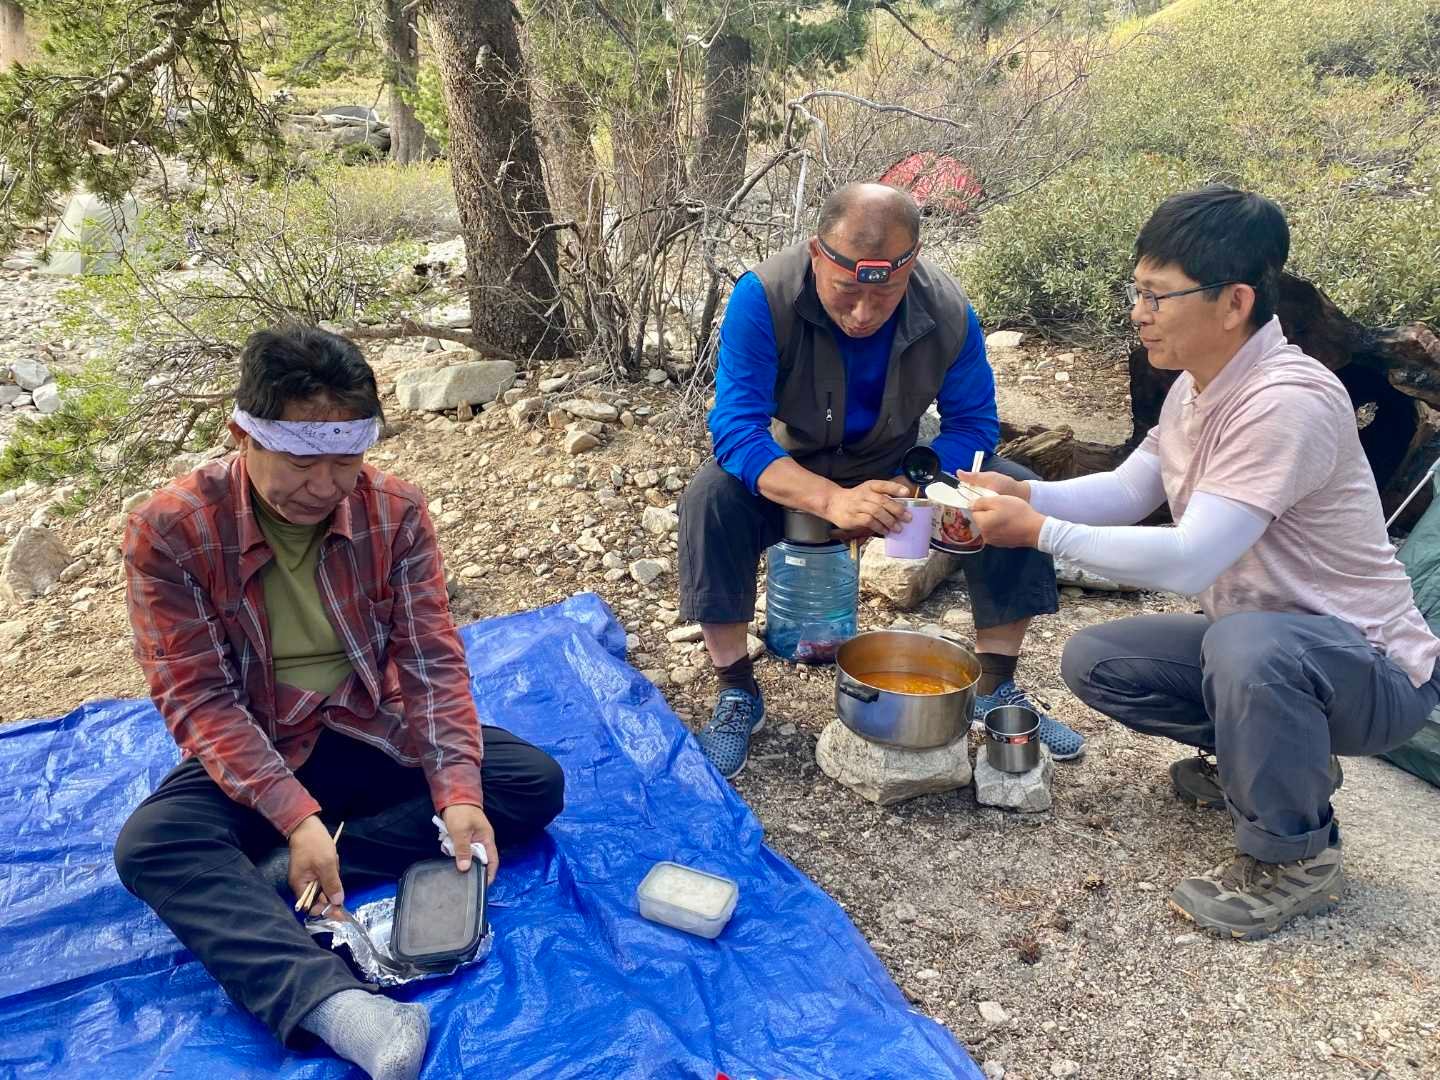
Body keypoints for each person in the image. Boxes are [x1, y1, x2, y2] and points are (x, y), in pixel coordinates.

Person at [965, 185, 1440, 939]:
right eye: (1137, 291)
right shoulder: (1197, 388)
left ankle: (1296, 859)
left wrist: (1037, 532)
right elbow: (1130, 490)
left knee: (1249, 646)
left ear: (1233, 303)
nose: (1138, 313)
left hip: (1374, 670)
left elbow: (1191, 561)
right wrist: (1026, 492)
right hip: (1278, 649)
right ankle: (1280, 763)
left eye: (1157, 295)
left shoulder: (1286, 400)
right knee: (1100, 660)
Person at [114, 327, 565, 1079]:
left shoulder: (395, 511)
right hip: (263, 747)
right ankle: (342, 1008)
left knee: (526, 783)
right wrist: (294, 815)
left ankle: (281, 876)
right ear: (242, 437)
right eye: (301, 462)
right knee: (153, 845)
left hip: (367, 727)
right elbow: (200, 700)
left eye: (346, 460)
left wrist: (456, 791)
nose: (326, 486)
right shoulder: (170, 532)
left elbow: (429, 661)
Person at [678, 182, 1085, 779]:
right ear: (817, 254)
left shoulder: (948, 310)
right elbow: (737, 428)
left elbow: (974, 424)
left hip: (897, 468)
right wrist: (832, 500)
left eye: (884, 295)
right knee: (710, 498)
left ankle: (995, 686)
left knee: (1005, 486)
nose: (863, 314)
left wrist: (909, 485)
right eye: (846, 292)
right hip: (796, 469)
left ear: (910, 267)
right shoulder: (763, 297)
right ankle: (737, 690)